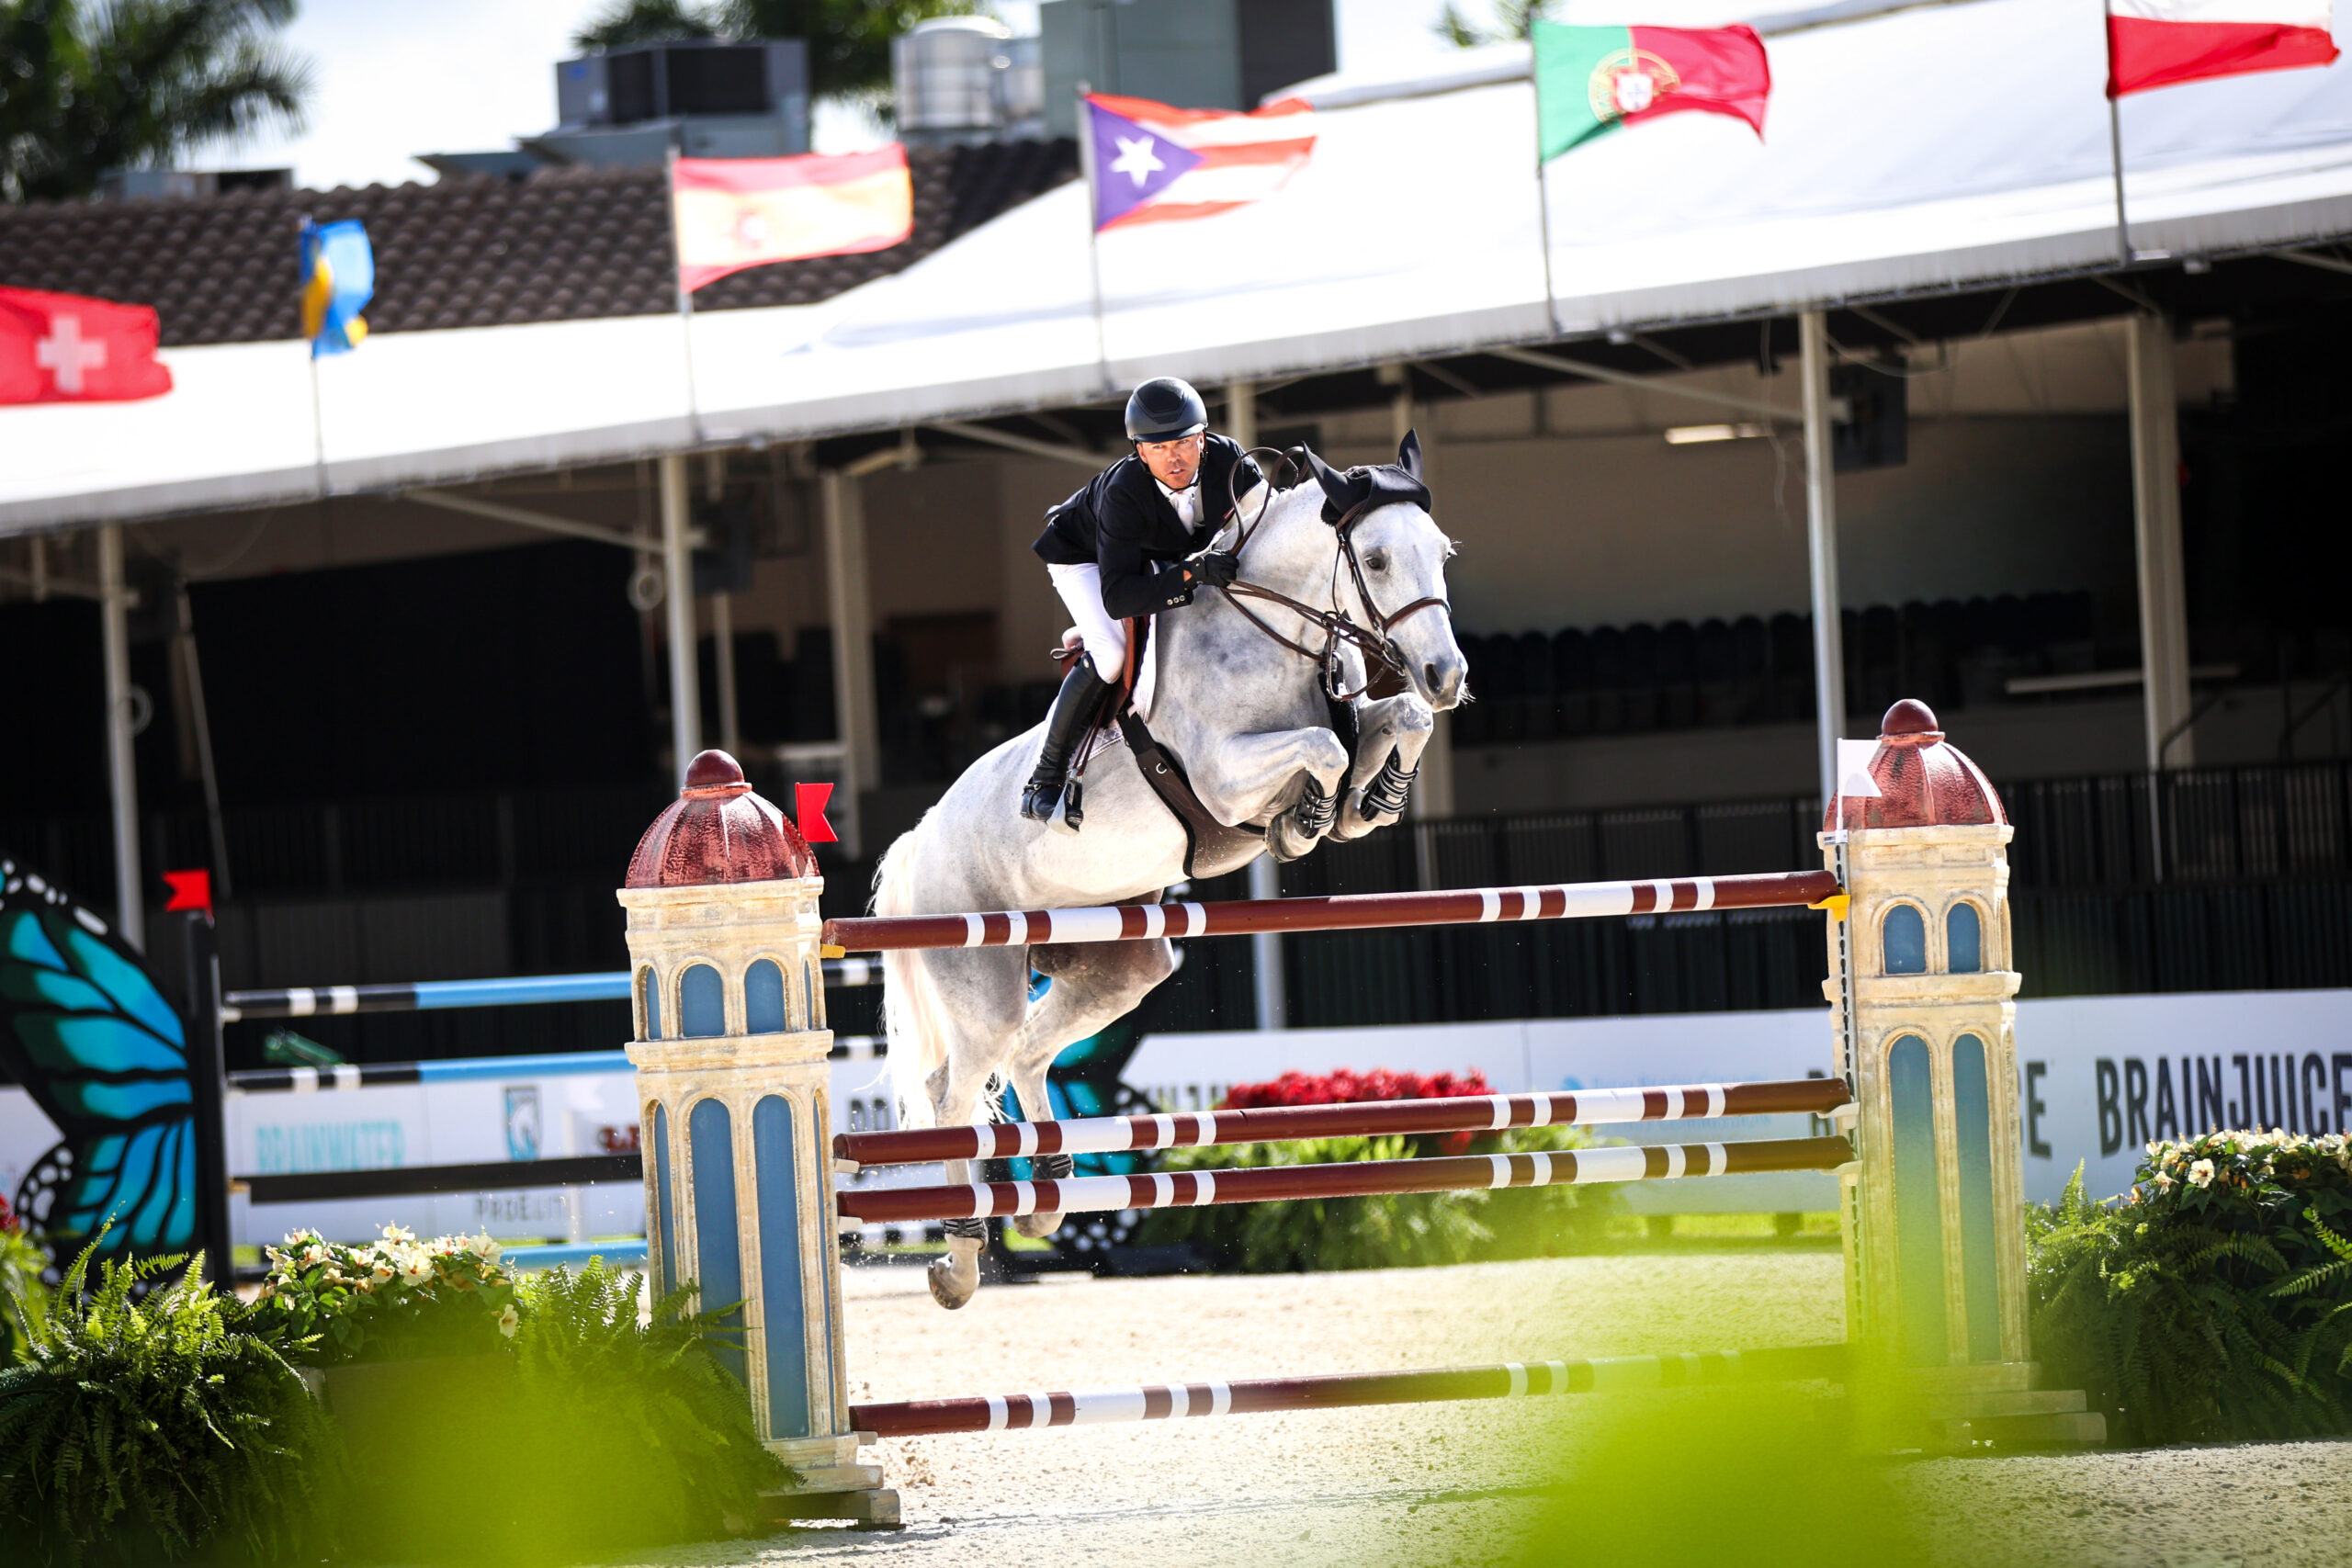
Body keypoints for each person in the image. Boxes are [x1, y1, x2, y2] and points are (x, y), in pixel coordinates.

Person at [1021, 376, 1261, 825]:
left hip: (1154, 556)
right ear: (1140, 451)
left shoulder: (1232, 462)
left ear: (1202, 439)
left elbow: (1266, 527)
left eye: (1183, 443)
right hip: (1085, 558)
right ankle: (1044, 778)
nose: (1173, 458)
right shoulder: (1124, 491)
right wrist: (1190, 574)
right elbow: (1119, 597)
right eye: (1158, 447)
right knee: (1111, 652)